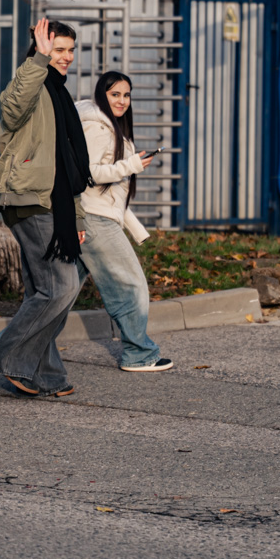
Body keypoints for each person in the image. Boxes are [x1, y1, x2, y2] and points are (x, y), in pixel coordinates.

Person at [0, 18, 91, 398]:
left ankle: (45, 375)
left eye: (70, 50)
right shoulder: (30, 83)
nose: (67, 56)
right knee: (61, 287)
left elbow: (67, 165)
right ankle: (10, 357)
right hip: (27, 196)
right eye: (59, 49)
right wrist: (39, 59)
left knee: (44, 292)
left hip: (53, 202)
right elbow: (12, 109)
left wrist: (76, 216)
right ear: (41, 49)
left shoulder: (59, 94)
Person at [76, 71, 173, 372]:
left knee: (59, 293)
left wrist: (136, 229)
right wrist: (130, 165)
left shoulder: (113, 128)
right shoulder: (98, 127)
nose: (122, 101)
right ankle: (139, 354)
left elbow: (112, 196)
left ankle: (11, 343)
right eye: (115, 94)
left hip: (91, 217)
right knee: (130, 285)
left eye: (126, 95)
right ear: (102, 95)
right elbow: (89, 173)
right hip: (94, 220)